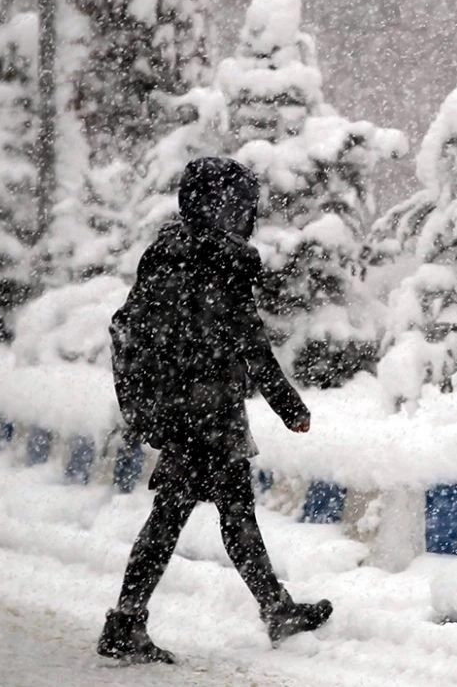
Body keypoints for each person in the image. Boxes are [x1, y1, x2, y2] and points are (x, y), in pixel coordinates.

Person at [98, 157, 332, 664]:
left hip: (179, 409)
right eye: (241, 205)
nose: (246, 215)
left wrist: (155, 403)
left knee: (209, 511)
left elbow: (141, 329)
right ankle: (129, 620)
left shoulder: (166, 252)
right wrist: (290, 407)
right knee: (200, 515)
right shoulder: (220, 262)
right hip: (206, 413)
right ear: (220, 206)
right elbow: (252, 345)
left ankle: (270, 609)